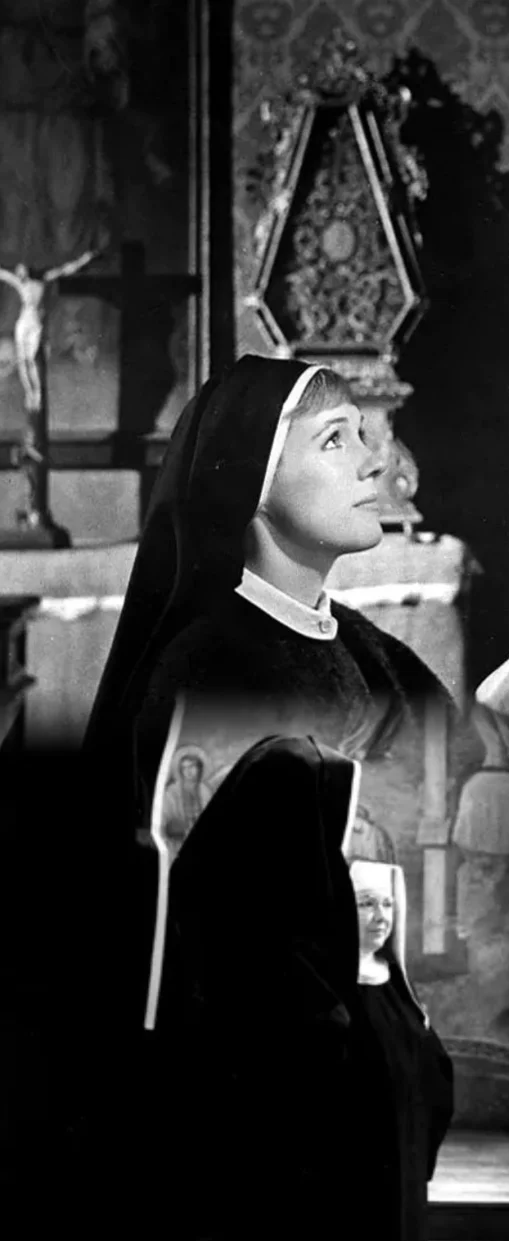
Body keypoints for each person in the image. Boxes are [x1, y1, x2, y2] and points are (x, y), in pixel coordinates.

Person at [83, 353, 445, 1029]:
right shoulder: (209, 668)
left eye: (363, 434)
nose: (374, 463)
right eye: (334, 440)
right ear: (251, 480)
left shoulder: (359, 641)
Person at [155, 738, 453, 1241]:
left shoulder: (253, 928)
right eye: (327, 821)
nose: (336, 846)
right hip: (282, 1226)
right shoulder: (266, 954)